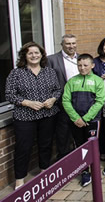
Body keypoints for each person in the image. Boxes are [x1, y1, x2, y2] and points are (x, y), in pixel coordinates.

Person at [6, 42, 61, 189]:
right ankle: (20, 180)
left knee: (46, 145)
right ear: (24, 55)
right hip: (25, 117)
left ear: (42, 55)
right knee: (23, 147)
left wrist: (53, 99)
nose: (34, 55)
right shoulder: (16, 73)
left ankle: (44, 172)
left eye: (36, 53)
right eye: (30, 53)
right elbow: (9, 95)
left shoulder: (49, 72)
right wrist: (27, 103)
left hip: (48, 114)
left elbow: (57, 90)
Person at [62, 53, 105, 187]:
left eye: (85, 65)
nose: (82, 68)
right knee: (79, 146)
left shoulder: (98, 81)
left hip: (92, 121)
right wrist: (76, 118)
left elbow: (99, 102)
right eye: (79, 65)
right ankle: (84, 171)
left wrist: (86, 118)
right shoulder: (72, 81)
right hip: (76, 122)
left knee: (92, 146)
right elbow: (65, 100)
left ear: (92, 65)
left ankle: (95, 171)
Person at [47, 34, 78, 160]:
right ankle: (65, 163)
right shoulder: (52, 59)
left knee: (78, 134)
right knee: (63, 135)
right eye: (68, 43)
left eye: (73, 43)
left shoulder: (81, 59)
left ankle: (80, 161)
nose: (71, 46)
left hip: (79, 102)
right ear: (62, 45)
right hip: (61, 103)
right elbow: (47, 81)